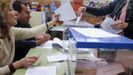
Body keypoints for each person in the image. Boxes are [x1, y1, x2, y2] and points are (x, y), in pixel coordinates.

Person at [0, 0, 58, 74]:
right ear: (2, 15)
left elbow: (32, 32)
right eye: (10, 10)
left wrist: (53, 21)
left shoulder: (11, 30)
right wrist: (17, 64)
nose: (16, 13)